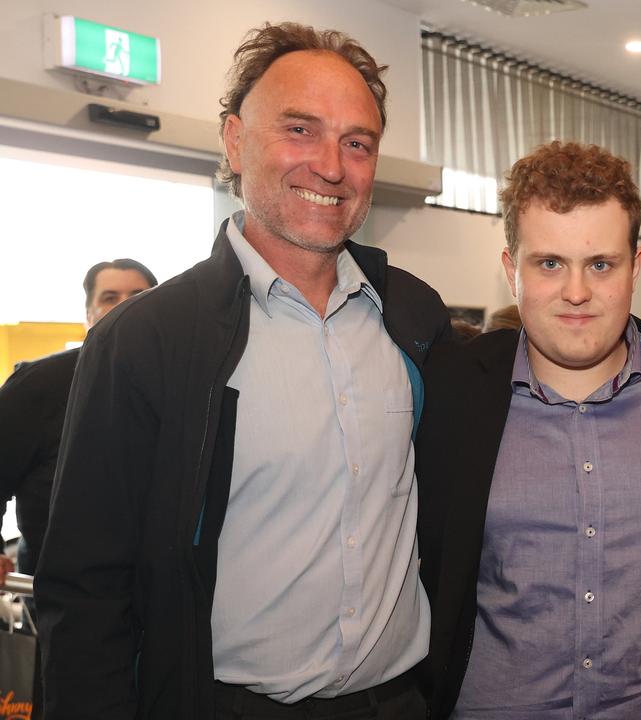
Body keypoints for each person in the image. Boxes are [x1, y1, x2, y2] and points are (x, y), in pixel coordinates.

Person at [36, 22, 450, 719]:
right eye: (300, 130)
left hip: (399, 702)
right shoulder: (148, 339)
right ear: (233, 140)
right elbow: (85, 590)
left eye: (357, 142)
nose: (331, 165)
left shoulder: (410, 317)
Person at [419, 140, 641, 719]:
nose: (576, 292)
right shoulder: (449, 391)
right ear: (509, 271)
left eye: (600, 264)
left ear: (635, 267)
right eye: (549, 264)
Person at [0, 259, 156, 588]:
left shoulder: (180, 383)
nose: (125, 304)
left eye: (139, 294)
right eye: (110, 297)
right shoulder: (38, 385)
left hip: (154, 592)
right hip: (55, 591)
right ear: (89, 314)